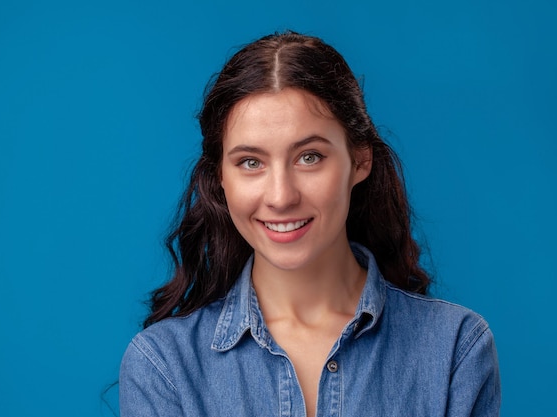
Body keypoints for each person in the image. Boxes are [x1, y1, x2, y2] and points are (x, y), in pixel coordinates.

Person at [119, 31, 501, 416]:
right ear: (220, 176)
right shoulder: (163, 366)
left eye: (310, 157)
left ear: (360, 160)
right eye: (251, 162)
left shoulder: (456, 349)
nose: (281, 196)